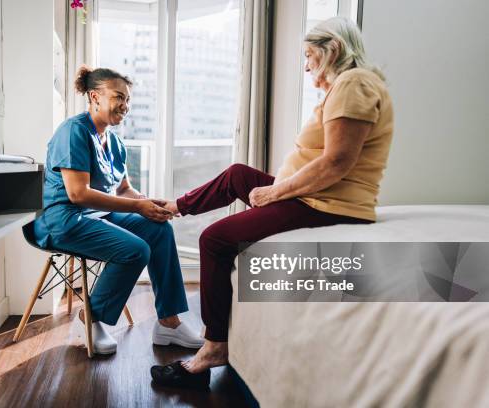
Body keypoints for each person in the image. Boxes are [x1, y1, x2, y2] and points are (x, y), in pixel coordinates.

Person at [151, 16, 394, 389]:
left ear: (334, 51)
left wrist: (274, 193)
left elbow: (336, 162)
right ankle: (176, 206)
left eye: (311, 56)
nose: (307, 65)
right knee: (236, 174)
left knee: (214, 240)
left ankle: (215, 345)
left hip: (325, 204)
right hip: (314, 195)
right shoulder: (348, 85)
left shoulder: (354, 83)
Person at [33, 65, 204, 354]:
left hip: (97, 217)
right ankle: (90, 318)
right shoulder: (73, 131)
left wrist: (150, 204)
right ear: (94, 96)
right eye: (118, 97)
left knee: (159, 230)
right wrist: (137, 206)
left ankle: (169, 323)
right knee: (135, 250)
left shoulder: (114, 141)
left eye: (127, 100)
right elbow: (77, 194)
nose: (125, 106)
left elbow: (123, 189)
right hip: (63, 220)